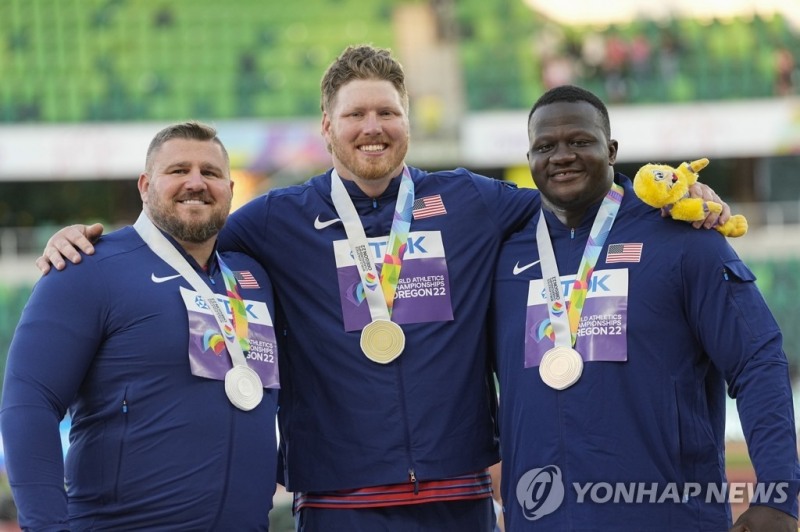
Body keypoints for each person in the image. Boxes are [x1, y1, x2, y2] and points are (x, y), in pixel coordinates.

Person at [34, 47, 728, 531]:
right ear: (327, 129)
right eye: (356, 114)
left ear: (406, 122)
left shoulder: (475, 202)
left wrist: (676, 200)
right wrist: (91, 241)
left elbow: (578, 199)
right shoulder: (275, 219)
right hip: (338, 506)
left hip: (457, 499)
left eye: (387, 113)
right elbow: (186, 227)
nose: (373, 127)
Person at [489, 85, 800, 531]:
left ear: (612, 150)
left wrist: (778, 493)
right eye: (545, 146)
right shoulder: (503, 253)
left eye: (580, 141)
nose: (562, 156)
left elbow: (757, 359)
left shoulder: (684, 238)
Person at [0, 122, 280, 530]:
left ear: (231, 190)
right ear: (145, 185)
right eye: (178, 170)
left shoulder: (253, 279)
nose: (196, 183)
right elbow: (30, 402)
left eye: (212, 173)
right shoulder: (85, 268)